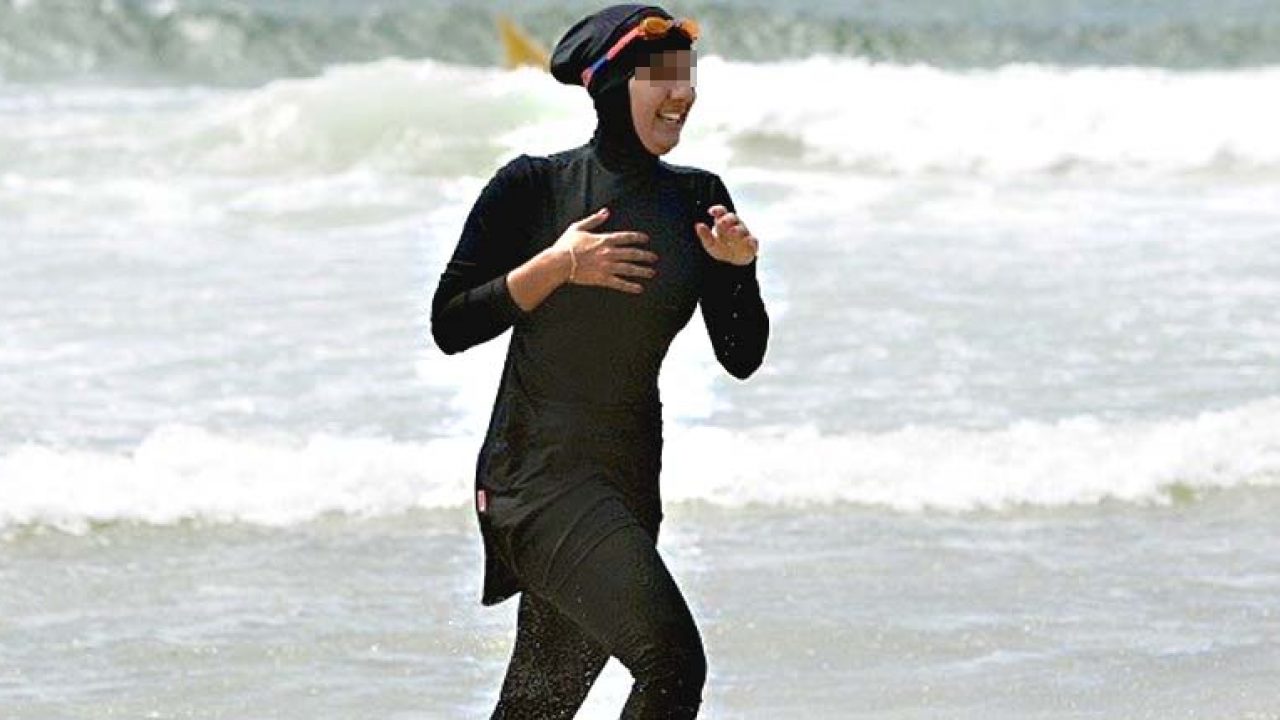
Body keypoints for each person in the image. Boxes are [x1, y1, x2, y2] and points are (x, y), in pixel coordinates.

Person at [430, 5, 769, 718]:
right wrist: (557, 266)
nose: (681, 93)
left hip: (627, 484)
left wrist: (738, 272)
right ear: (612, 86)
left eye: (687, 76)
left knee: (536, 711)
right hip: (537, 479)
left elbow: (741, 356)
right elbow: (450, 323)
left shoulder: (698, 199)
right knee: (672, 663)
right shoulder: (535, 187)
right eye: (661, 76)